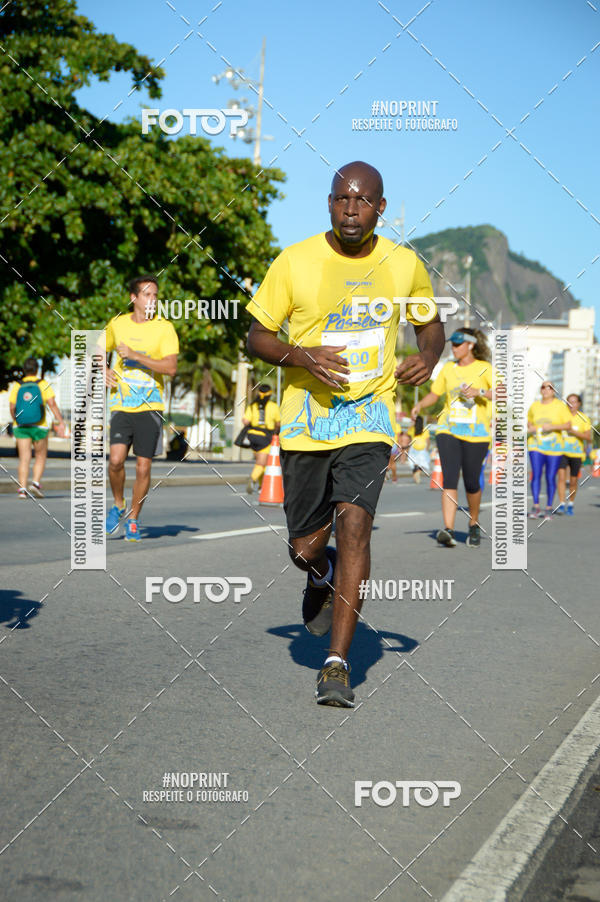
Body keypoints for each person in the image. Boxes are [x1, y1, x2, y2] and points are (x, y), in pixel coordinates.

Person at [246, 160, 444, 706]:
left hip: (370, 415)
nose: (351, 209)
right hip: (307, 421)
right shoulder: (295, 261)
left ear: (381, 208)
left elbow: (430, 323)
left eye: (362, 201)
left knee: (355, 525)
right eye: (341, 199)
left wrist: (427, 354)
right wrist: (303, 354)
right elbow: (257, 337)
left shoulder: (404, 265)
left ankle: (337, 664)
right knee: (304, 548)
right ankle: (320, 573)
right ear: (329, 203)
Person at [103, 275, 179, 541]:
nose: (153, 300)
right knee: (115, 461)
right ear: (133, 298)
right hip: (121, 404)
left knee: (144, 468)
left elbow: (170, 367)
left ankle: (133, 519)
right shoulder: (118, 324)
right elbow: (95, 347)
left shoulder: (164, 328)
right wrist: (102, 370)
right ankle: (118, 503)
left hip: (150, 406)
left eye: (156, 295)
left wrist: (135, 356)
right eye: (147, 295)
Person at [412, 328, 494, 548]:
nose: (454, 348)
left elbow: (503, 393)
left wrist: (480, 393)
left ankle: (474, 523)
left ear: (471, 345)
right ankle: (448, 529)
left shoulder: (485, 368)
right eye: (453, 344)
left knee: (471, 481)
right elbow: (434, 394)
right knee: (449, 479)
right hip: (448, 430)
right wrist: (420, 404)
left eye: (458, 344)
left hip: (477, 434)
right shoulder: (448, 369)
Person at [9, 358, 66, 498]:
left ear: (24, 370)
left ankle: (22, 490)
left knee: (24, 458)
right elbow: (52, 403)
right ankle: (34, 484)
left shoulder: (17, 385)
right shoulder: (43, 384)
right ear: (37, 369)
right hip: (39, 426)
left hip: (21, 426)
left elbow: (12, 406)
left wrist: (16, 419)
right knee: (40, 455)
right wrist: (60, 421)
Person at [526, 382, 571, 520]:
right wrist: (532, 428)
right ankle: (535, 506)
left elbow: (568, 425)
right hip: (536, 444)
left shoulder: (560, 406)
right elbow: (530, 423)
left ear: (554, 390)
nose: (546, 389)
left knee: (550, 476)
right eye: (543, 387)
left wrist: (552, 427)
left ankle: (549, 507)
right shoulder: (534, 406)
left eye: (549, 387)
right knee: (536, 474)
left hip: (554, 446)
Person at [556, 393, 592, 515]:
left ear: (579, 404)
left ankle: (570, 503)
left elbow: (588, 437)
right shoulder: (561, 417)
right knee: (561, 478)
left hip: (576, 453)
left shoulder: (584, 418)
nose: (571, 404)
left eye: (574, 402)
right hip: (561, 451)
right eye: (568, 402)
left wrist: (573, 432)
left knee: (573, 481)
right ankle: (561, 504)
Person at [243, 384, 281, 493]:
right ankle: (252, 479)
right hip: (265, 437)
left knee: (261, 462)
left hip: (252, 436)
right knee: (262, 463)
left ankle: (261, 486)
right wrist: (275, 431)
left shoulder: (252, 406)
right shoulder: (273, 406)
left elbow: (245, 421)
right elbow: (278, 423)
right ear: (270, 394)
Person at [408, 415, 430, 483]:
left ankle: (415, 475)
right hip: (422, 447)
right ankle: (418, 473)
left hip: (413, 446)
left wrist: (412, 425)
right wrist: (427, 448)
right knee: (423, 463)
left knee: (414, 463)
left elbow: (408, 434)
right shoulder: (425, 429)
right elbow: (427, 440)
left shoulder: (412, 429)